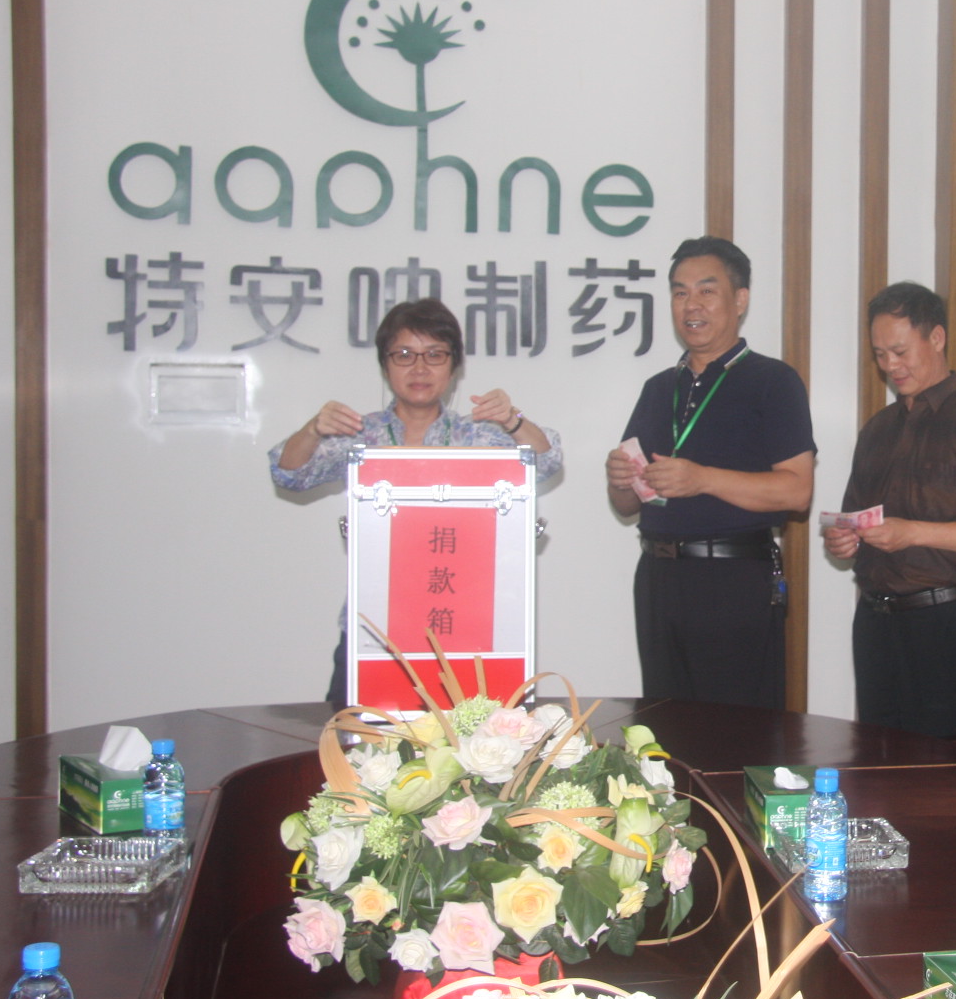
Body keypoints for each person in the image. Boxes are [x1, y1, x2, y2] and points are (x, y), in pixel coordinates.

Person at [269, 297, 563, 704]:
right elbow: (288, 473)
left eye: (435, 355)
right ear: (385, 364)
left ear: (454, 366)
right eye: (404, 355)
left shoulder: (478, 433)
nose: (420, 368)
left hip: (465, 624)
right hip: (375, 628)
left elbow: (547, 460)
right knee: (356, 737)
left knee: (470, 739)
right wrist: (313, 429)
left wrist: (513, 419)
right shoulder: (359, 434)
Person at [605, 236, 815, 709]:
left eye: (706, 290)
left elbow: (797, 491)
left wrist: (702, 479)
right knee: (663, 725)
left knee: (735, 729)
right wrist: (620, 479)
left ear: (740, 299)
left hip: (733, 580)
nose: (691, 305)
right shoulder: (659, 388)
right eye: (680, 293)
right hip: (659, 577)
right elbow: (627, 505)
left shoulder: (773, 381)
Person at [823, 283, 956, 738]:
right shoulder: (878, 429)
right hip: (875, 621)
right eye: (880, 354)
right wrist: (844, 539)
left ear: (936, 338)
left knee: (943, 765)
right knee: (875, 757)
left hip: (944, 623)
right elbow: (855, 517)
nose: (890, 365)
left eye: (900, 351)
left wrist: (913, 532)